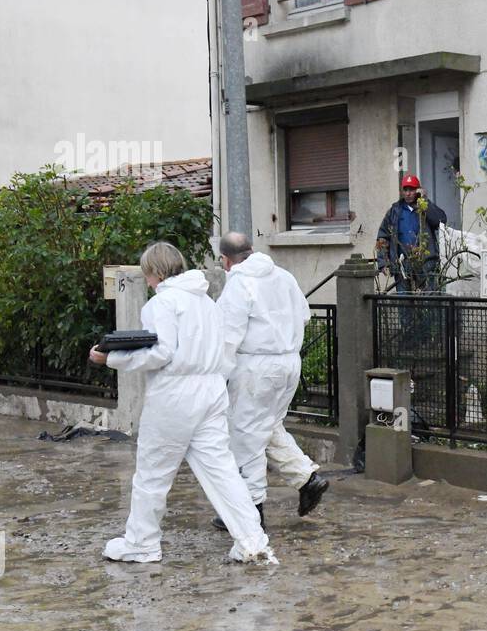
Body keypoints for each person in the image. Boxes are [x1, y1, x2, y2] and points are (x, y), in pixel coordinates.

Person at [89, 242, 275, 565]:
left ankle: (141, 542)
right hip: (212, 389)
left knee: (152, 473)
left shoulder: (162, 304)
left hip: (175, 394)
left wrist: (111, 357)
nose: (147, 281)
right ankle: (252, 539)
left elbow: (161, 352)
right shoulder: (206, 301)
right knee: (222, 470)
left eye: (148, 274)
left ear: (156, 272)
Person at [211, 232, 327, 533]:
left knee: (245, 435)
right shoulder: (283, 275)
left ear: (225, 259)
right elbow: (304, 316)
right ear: (251, 250)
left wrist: (216, 376)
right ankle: (306, 479)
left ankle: (250, 512)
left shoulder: (238, 283)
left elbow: (227, 335)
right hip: (289, 362)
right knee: (268, 426)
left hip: (255, 367)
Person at [375, 174, 447, 293]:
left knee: (429, 304)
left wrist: (425, 201)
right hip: (402, 267)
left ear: (418, 190)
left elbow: (441, 221)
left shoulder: (424, 207)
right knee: (405, 305)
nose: (408, 193)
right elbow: (383, 236)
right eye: (405, 190)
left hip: (426, 265)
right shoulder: (395, 211)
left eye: (412, 190)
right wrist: (383, 263)